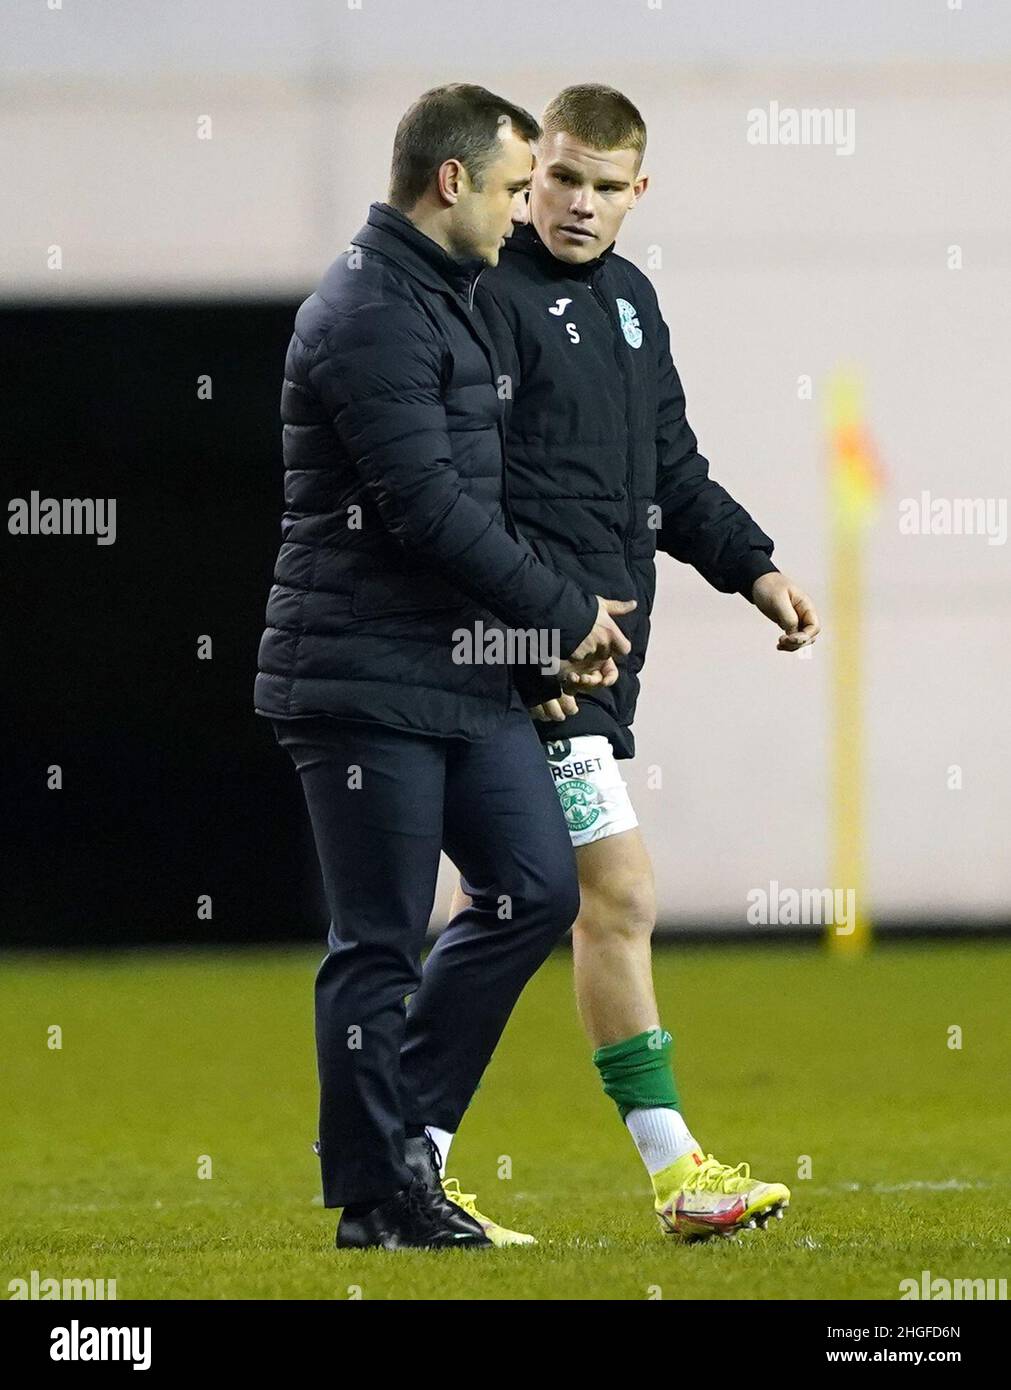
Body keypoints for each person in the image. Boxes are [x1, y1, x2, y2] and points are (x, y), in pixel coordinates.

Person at [427, 85, 822, 1244]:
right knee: (615, 895)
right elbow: (461, 496)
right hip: (524, 665)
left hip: (595, 664)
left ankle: (414, 1148)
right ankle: (671, 1171)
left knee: (532, 901)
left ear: (639, 193)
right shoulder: (485, 296)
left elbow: (672, 471)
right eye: (561, 179)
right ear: (529, 174)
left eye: (607, 187)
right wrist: (530, 638)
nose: (581, 205)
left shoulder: (634, 305)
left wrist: (755, 570)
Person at [254, 83, 635, 1250]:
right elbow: (423, 510)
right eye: (522, 187)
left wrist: (524, 652)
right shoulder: (369, 308)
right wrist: (562, 614)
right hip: (362, 674)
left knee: (536, 887)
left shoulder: (450, 297)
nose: (531, 211)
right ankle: (381, 1202)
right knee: (379, 940)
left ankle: (400, 1148)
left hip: (457, 668)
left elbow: (477, 506)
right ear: (452, 182)